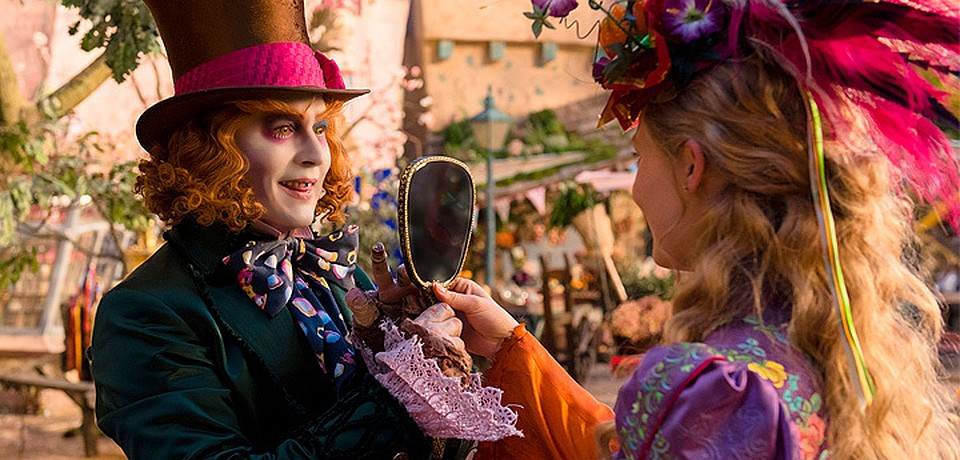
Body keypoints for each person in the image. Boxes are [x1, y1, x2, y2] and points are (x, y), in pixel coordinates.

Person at [414, 0, 960, 458]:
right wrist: (510, 346)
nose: (635, 190)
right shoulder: (835, 351)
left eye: (640, 158)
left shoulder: (718, 391)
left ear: (691, 167)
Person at [88, 1, 471, 458]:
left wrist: (405, 345)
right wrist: (397, 391)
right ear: (209, 149)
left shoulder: (340, 275)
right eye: (284, 128)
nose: (317, 154)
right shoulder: (145, 311)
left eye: (320, 126)